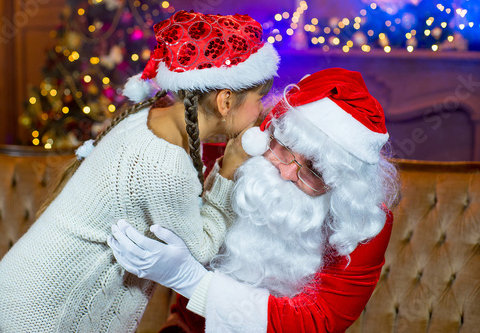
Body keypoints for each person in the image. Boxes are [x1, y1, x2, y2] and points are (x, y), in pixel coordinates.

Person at [0, 10, 279, 332]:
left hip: (26, 279)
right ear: (225, 101)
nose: (263, 109)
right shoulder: (165, 164)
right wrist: (230, 168)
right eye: (260, 97)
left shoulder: (155, 117)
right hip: (47, 311)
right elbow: (199, 250)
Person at [108, 68, 400, 332]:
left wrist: (190, 279)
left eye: (313, 170)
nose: (286, 173)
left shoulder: (362, 223)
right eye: (284, 149)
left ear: (343, 186)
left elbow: (317, 322)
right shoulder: (237, 163)